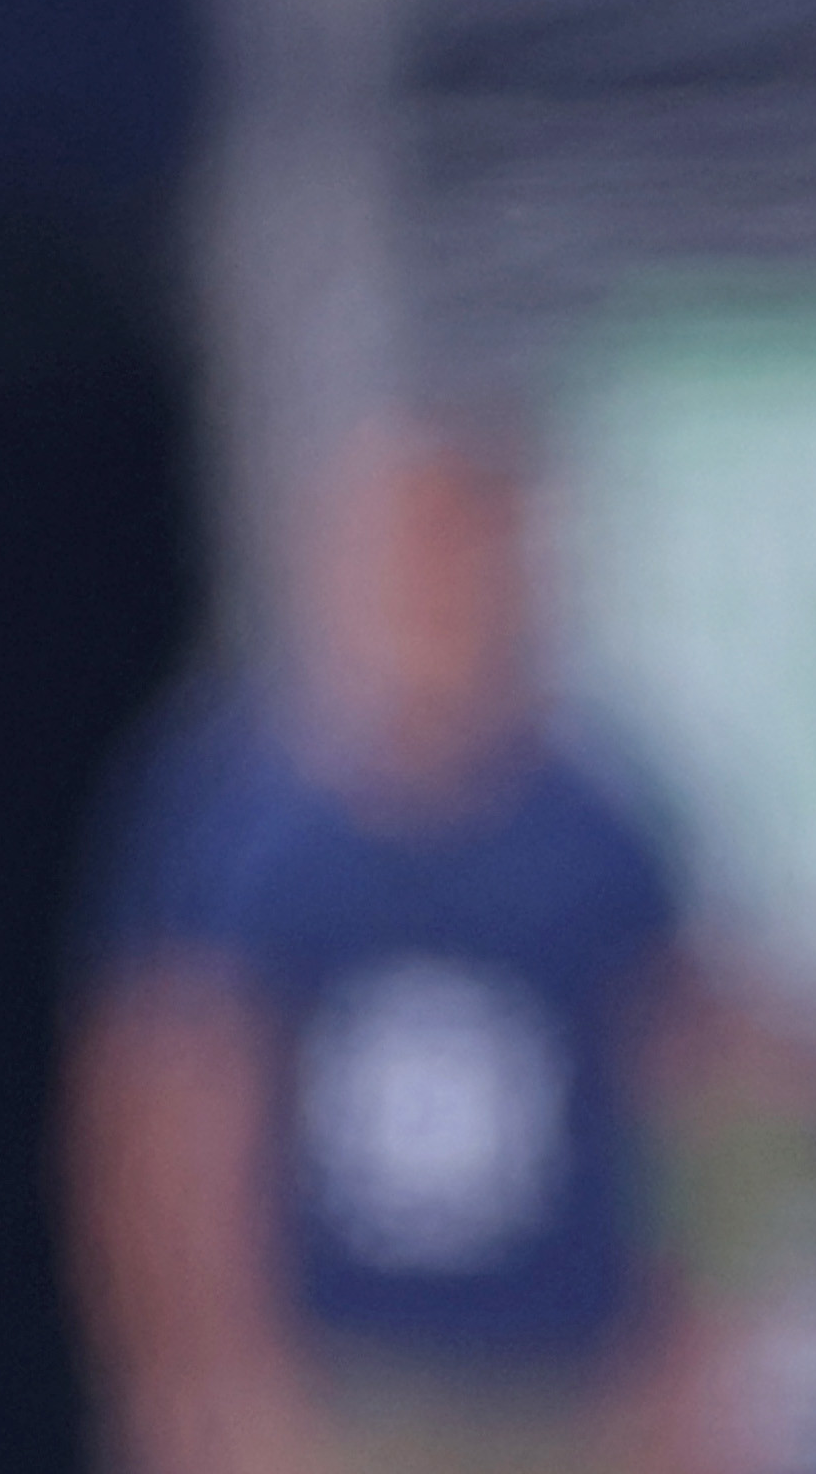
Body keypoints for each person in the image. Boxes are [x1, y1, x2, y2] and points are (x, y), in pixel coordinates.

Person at [67, 425, 715, 1474]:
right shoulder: (240, 822)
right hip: (331, 1381)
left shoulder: (601, 820)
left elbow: (686, 1087)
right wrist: (189, 1368)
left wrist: (694, 1351)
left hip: (563, 1377)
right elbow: (163, 1105)